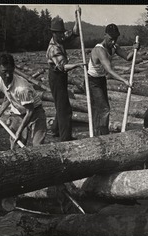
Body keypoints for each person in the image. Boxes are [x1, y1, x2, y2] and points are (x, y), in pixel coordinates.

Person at [87, 23, 139, 136]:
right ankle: (104, 136)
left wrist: (135, 49)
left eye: (115, 39)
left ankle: (100, 133)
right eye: (111, 39)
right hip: (92, 81)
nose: (113, 41)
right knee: (104, 109)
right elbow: (109, 70)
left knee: (102, 109)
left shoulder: (114, 47)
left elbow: (127, 57)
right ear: (105, 35)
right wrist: (124, 81)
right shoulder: (99, 50)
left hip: (101, 79)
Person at [0, 53, 47, 150]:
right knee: (15, 146)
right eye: (4, 72)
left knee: (38, 146)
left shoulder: (21, 88)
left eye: (10, 71)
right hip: (18, 113)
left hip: (35, 113)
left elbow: (30, 111)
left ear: (14, 68)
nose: (7, 75)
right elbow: (8, 97)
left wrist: (19, 131)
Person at [46, 10, 84, 141]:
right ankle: (65, 139)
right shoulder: (53, 48)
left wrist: (77, 18)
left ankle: (55, 130)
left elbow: (74, 32)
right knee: (65, 109)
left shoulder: (60, 39)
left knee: (60, 105)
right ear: (53, 33)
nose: (62, 35)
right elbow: (63, 67)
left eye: (63, 32)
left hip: (61, 76)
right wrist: (78, 64)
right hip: (56, 77)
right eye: (60, 33)